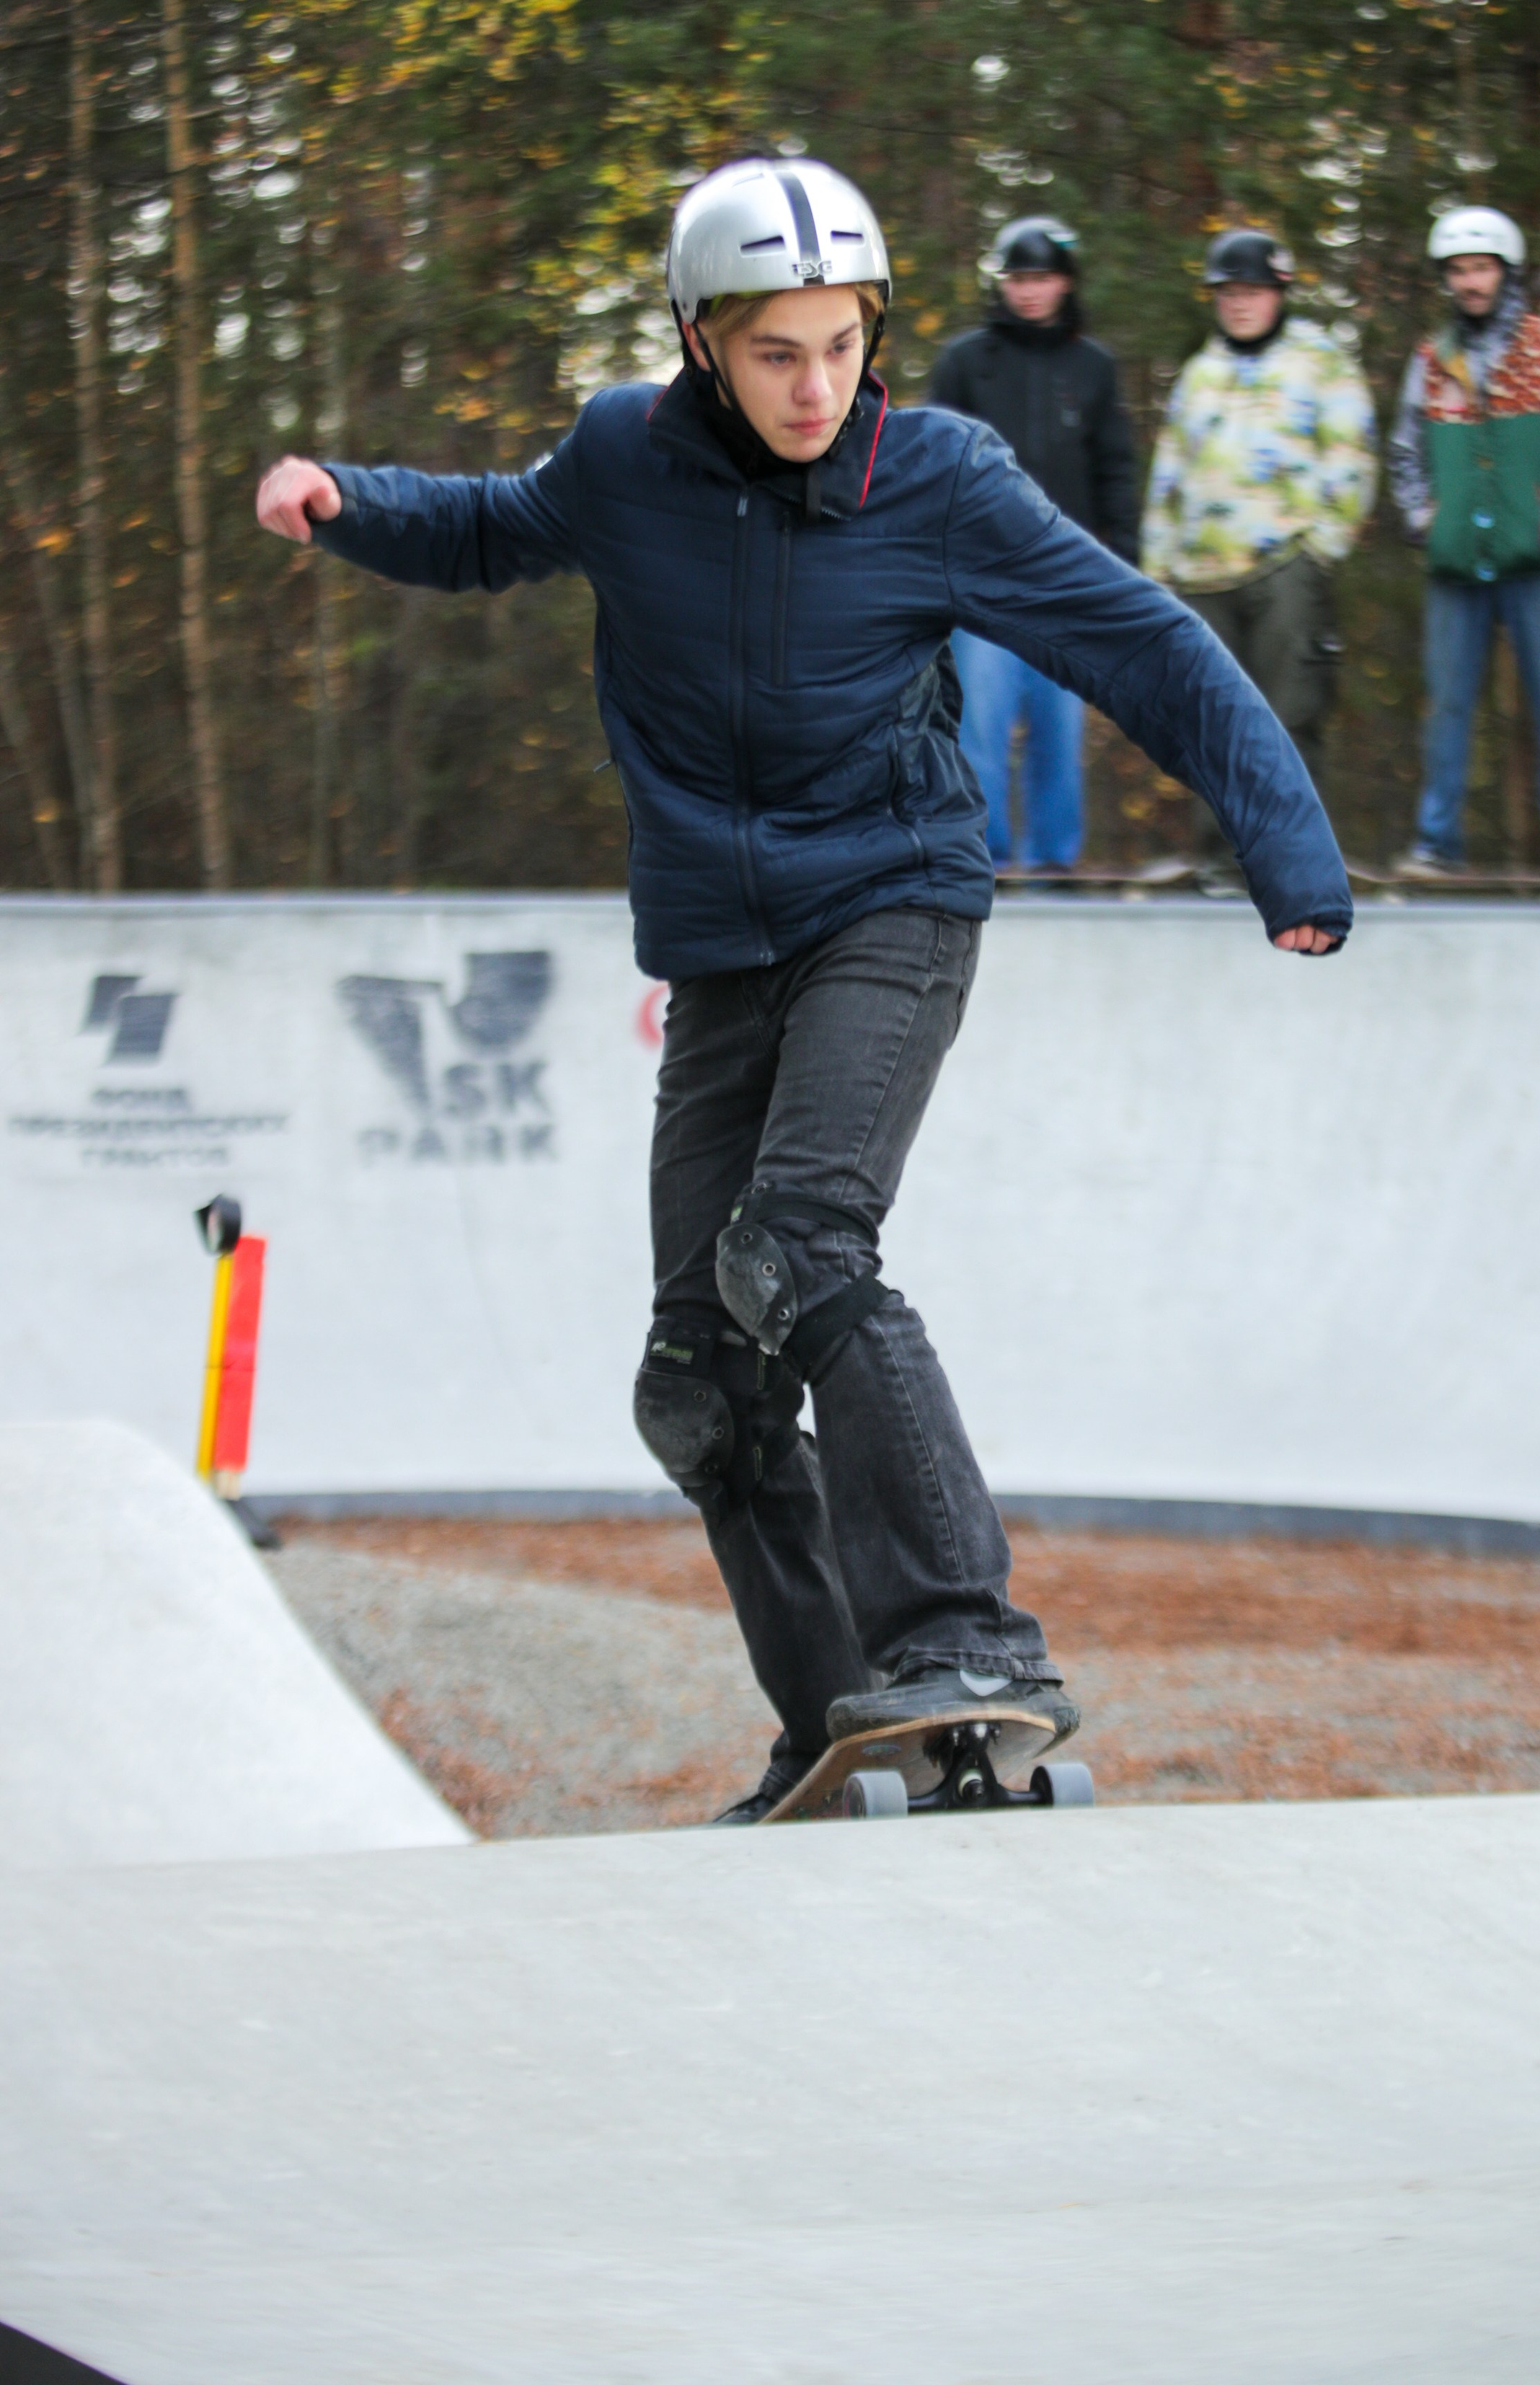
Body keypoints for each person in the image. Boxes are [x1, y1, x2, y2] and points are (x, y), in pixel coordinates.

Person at [255, 156, 1353, 1823]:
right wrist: (342, 497)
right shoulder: (625, 453)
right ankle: (841, 1718)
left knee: (800, 1244)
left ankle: (967, 1635)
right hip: (720, 948)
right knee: (696, 1373)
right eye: (777, 352)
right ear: (699, 341)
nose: (815, 387)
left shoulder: (941, 477)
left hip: (895, 903)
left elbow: (1142, 644)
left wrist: (1287, 853)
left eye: (842, 346)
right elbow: (491, 528)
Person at [1386, 206, 1540, 882]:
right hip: (1456, 561)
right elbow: (1405, 450)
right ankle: (1435, 842)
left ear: (1506, 273)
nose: (1470, 282)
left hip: (1533, 559)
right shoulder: (1431, 360)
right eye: (1457, 271)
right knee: (1447, 706)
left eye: (1481, 268)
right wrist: (1426, 518)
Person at [1141, 230, 1376, 840]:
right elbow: (1168, 473)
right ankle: (1222, 858)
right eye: (1227, 292)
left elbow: (1352, 455)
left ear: (1279, 293)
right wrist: (1157, 570)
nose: (1239, 304)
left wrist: (1322, 549)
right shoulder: (1200, 373)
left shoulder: (1320, 362)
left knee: (1290, 710)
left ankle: (1294, 855)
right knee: (1209, 719)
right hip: (1199, 578)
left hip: (1284, 566)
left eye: (1253, 291)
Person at [927, 216, 1138, 872]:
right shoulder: (966, 362)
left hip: (1064, 579)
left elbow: (1116, 468)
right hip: (980, 574)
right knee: (981, 722)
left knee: (1058, 725)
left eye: (1042, 278)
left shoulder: (1093, 367)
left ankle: (1053, 860)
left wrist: (1125, 564)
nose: (1030, 292)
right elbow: (931, 463)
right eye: (1018, 279)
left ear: (1065, 284)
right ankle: (980, 856)